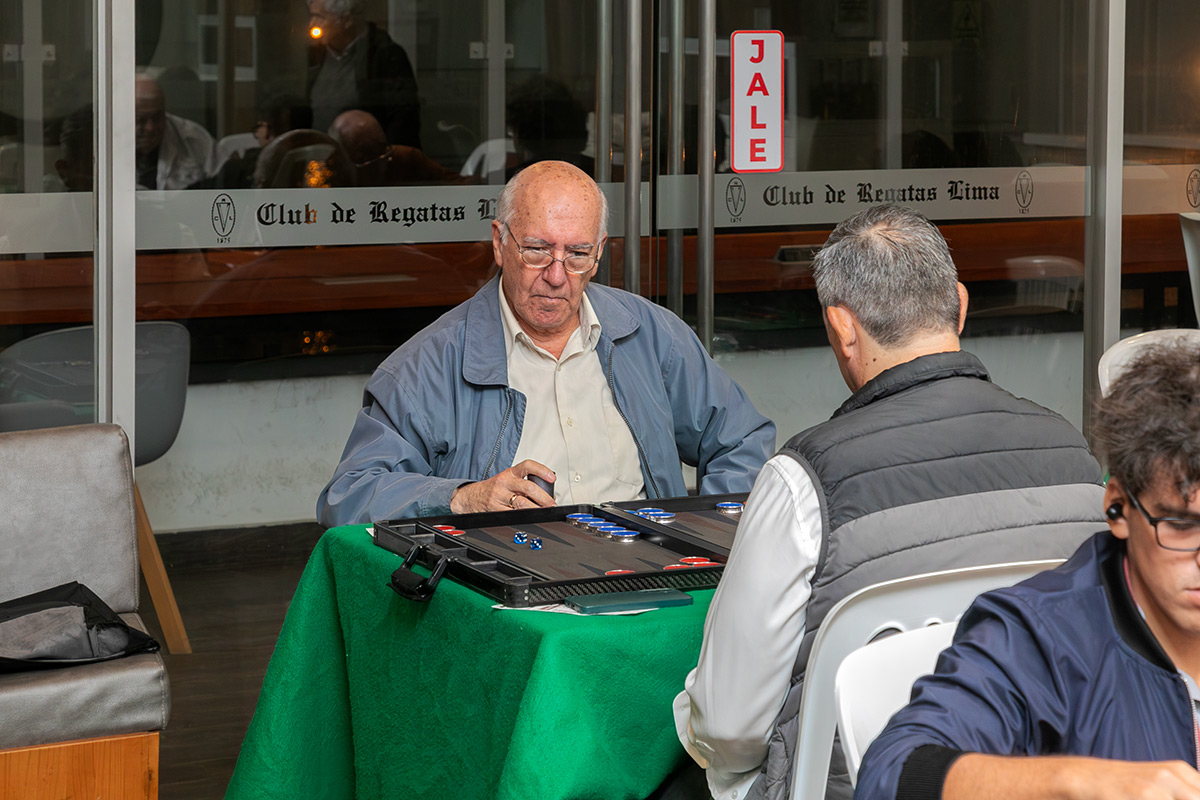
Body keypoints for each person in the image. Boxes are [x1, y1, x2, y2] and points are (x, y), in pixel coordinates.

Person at [672, 204, 1105, 800]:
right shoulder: (1076, 460)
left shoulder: (804, 481)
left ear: (841, 328)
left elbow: (729, 727)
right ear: (960, 304)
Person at [316, 160, 775, 527]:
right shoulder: (426, 365)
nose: (556, 276)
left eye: (577, 254)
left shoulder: (651, 335)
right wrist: (462, 498)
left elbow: (742, 440)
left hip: (650, 576)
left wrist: (709, 534)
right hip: (508, 589)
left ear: (599, 253)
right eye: (536, 250)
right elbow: (349, 495)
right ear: (499, 243)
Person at [856, 339, 1200, 800]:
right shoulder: (1036, 639)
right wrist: (1075, 782)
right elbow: (890, 774)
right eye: (1181, 524)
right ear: (1117, 507)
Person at [306, 0, 421, 148]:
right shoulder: (317, 55)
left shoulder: (384, 55)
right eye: (312, 16)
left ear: (347, 20)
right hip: (321, 154)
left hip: (363, 157)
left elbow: (404, 119)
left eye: (320, 17)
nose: (312, 24)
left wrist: (385, 157)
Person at [328, 109, 472, 186]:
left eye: (384, 152)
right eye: (366, 161)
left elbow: (462, 185)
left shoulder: (405, 158)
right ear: (341, 159)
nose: (381, 167)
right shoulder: (326, 173)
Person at [135, 72, 217, 190]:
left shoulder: (193, 137)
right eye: (141, 119)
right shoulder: (108, 141)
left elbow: (223, 181)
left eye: (157, 117)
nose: (150, 127)